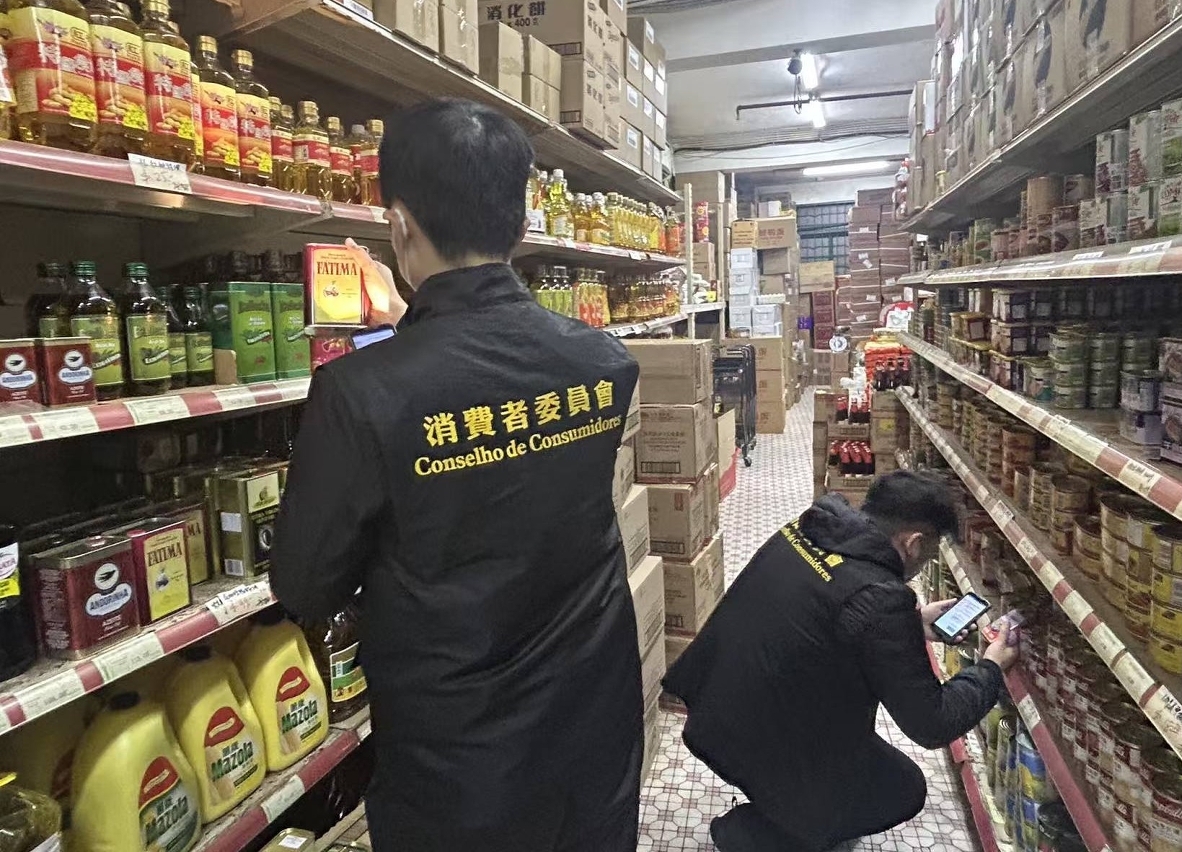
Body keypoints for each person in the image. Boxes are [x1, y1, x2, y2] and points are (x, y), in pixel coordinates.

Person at [271, 99, 644, 852]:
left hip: (459, 754)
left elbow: (305, 585)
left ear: (399, 224)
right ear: (521, 220)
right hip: (594, 714)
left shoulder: (361, 392)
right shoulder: (602, 362)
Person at [662, 470, 1019, 852]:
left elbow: (819, 616)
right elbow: (932, 722)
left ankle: (785, 809)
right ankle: (751, 835)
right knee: (902, 788)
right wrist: (991, 667)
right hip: (755, 737)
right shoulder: (881, 597)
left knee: (857, 756)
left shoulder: (808, 531)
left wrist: (911, 625)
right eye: (929, 553)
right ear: (913, 543)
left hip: (717, 711)